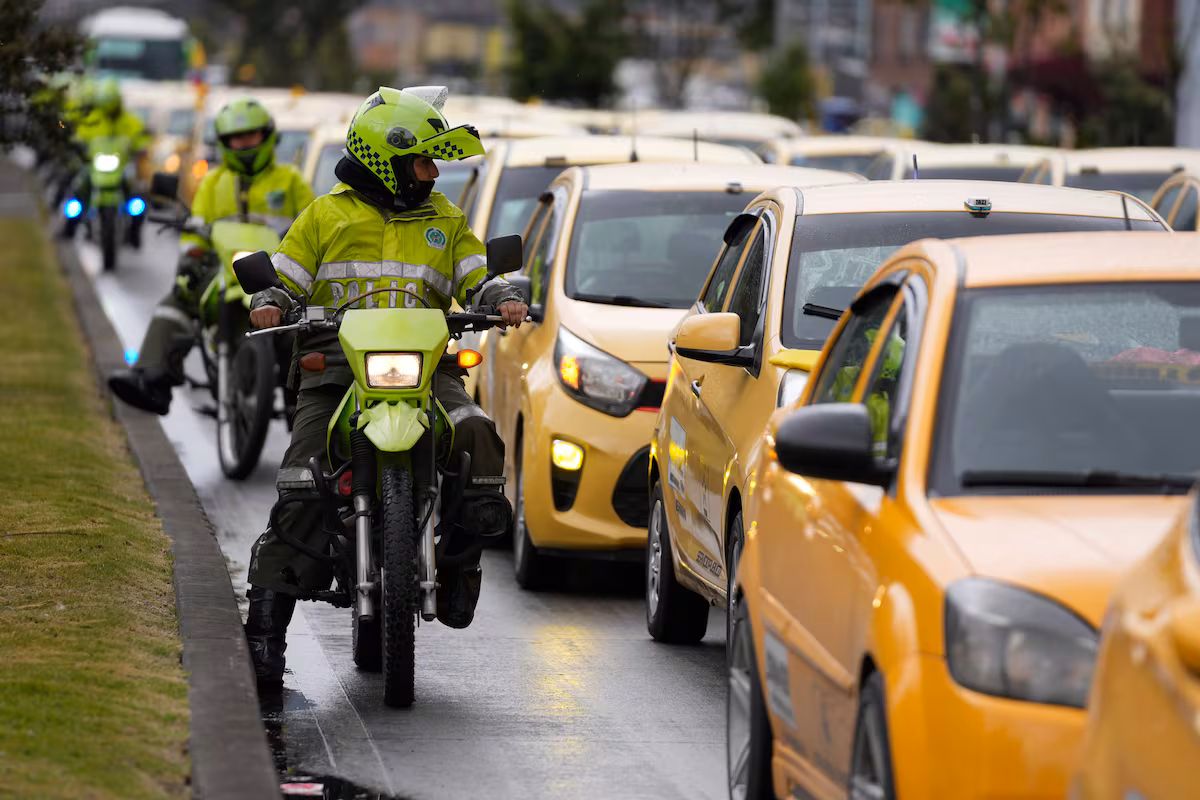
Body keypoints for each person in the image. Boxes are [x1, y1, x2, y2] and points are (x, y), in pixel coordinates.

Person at [241, 86, 528, 686]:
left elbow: (479, 277)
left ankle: (458, 565)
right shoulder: (324, 215)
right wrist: (270, 299)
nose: (432, 172)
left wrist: (503, 297)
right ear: (385, 158)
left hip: (425, 366)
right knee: (302, 481)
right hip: (336, 365)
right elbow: (286, 278)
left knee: (477, 433)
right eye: (423, 160)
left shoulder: (446, 219)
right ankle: (265, 636)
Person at [107, 97, 314, 415]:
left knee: (307, 320)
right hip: (222, 269)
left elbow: (311, 225)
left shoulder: (291, 181)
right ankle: (153, 379)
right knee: (178, 300)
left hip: (277, 274)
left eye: (251, 135)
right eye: (235, 137)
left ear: (267, 135)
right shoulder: (212, 183)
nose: (243, 142)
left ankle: (304, 395)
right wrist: (191, 254)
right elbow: (194, 230)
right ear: (224, 142)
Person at [64, 76, 154, 245]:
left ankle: (135, 231)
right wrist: (77, 145)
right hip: (96, 165)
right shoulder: (92, 119)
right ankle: (70, 226)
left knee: (138, 194)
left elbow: (143, 135)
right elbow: (78, 135)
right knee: (77, 188)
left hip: (122, 166)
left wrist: (141, 146)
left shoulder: (130, 120)